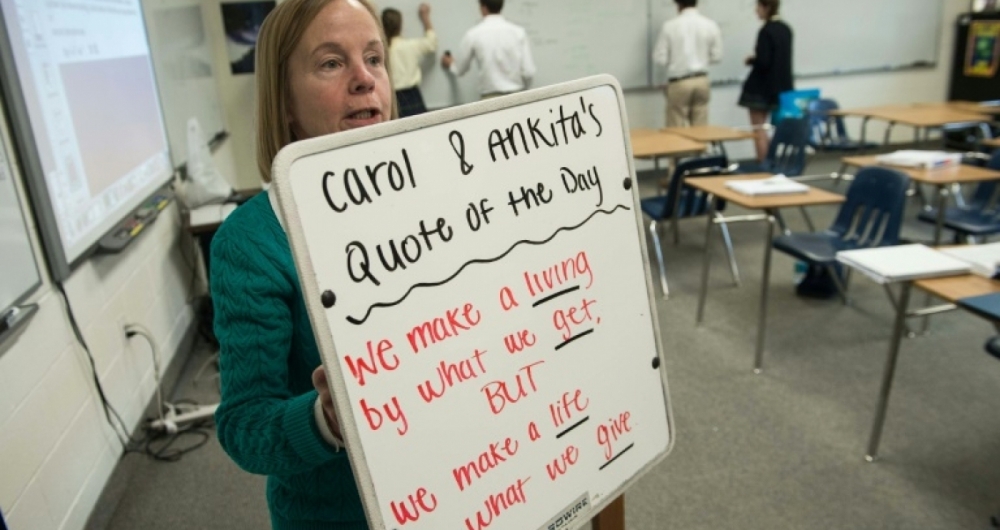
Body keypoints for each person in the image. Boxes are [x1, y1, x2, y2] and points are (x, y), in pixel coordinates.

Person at [210, 0, 395, 528]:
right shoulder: (252, 241)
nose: (365, 79)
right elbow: (244, 424)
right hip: (338, 515)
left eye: (375, 58)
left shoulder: (439, 196)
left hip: (471, 487)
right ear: (285, 100)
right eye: (332, 63)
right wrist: (323, 420)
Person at [440, 0, 536, 99]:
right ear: (501, 6)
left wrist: (450, 64)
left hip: (490, 100)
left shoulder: (474, 34)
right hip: (517, 96)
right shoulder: (518, 32)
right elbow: (529, 71)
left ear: (483, 7)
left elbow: (459, 69)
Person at [652, 0, 723, 128]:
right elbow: (717, 56)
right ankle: (701, 149)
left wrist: (676, 62)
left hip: (679, 81)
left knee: (676, 125)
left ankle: (679, 148)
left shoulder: (670, 26)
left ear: (678, 4)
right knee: (700, 127)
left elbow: (660, 58)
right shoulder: (710, 24)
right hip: (702, 79)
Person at [738, 0, 793, 161]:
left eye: (758, 7)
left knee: (758, 129)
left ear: (767, 7)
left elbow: (764, 62)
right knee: (768, 129)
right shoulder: (786, 29)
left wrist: (752, 60)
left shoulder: (766, 31)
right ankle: (770, 162)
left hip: (760, 88)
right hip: (780, 87)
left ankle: (764, 164)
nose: (756, 11)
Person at [382, 3, 436, 117]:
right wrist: (425, 17)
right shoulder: (410, 46)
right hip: (413, 97)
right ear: (400, 25)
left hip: (393, 99)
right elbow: (432, 43)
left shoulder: (382, 50)